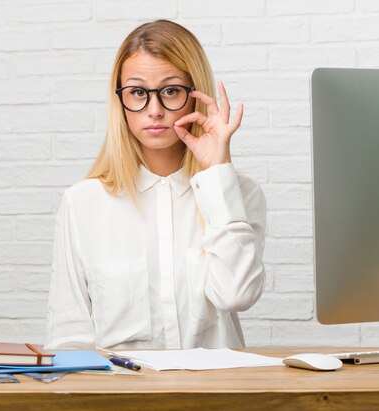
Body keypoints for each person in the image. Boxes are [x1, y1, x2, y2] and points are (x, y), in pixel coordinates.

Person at [44, 20, 267, 351]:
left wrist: (217, 171)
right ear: (120, 100)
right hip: (122, 395)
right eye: (137, 93)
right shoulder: (83, 202)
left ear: (195, 95)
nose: (154, 110)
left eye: (171, 91)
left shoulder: (239, 193)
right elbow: (68, 335)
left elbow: (237, 294)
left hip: (216, 394)